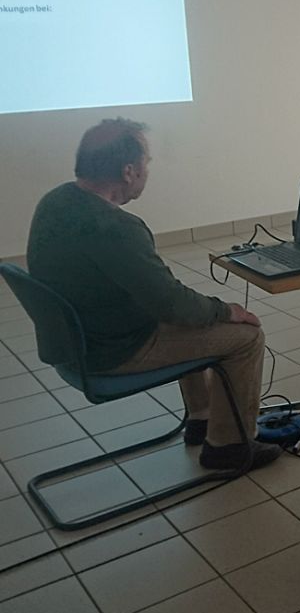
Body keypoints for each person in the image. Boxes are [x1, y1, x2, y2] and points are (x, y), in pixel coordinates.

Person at [25, 118, 280, 470]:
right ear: (129, 171)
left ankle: (202, 418)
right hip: (113, 351)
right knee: (245, 336)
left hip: (75, 344)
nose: (148, 169)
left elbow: (168, 301)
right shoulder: (116, 228)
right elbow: (173, 305)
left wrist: (206, 310)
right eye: (146, 162)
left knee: (195, 315)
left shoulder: (55, 202)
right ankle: (228, 447)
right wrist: (228, 311)